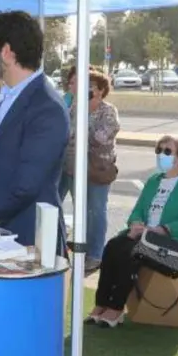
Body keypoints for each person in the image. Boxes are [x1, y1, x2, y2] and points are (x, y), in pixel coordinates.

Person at [0, 11, 69, 248]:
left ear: (6, 52)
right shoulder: (9, 95)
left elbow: (25, 187)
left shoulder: (46, 107)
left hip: (26, 237)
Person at [87, 134, 178, 328]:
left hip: (170, 239)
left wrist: (161, 230)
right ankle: (102, 303)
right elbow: (138, 210)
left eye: (167, 151)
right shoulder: (153, 180)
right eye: (159, 150)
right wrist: (136, 225)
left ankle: (116, 308)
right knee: (113, 246)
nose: (161, 155)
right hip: (145, 235)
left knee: (130, 252)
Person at [60, 68, 121, 272]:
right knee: (65, 207)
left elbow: (101, 138)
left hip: (97, 170)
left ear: (101, 90)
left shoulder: (108, 111)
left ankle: (95, 255)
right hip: (70, 168)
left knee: (95, 211)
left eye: (91, 87)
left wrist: (85, 118)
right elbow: (65, 133)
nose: (85, 90)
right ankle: (68, 248)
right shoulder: (73, 107)